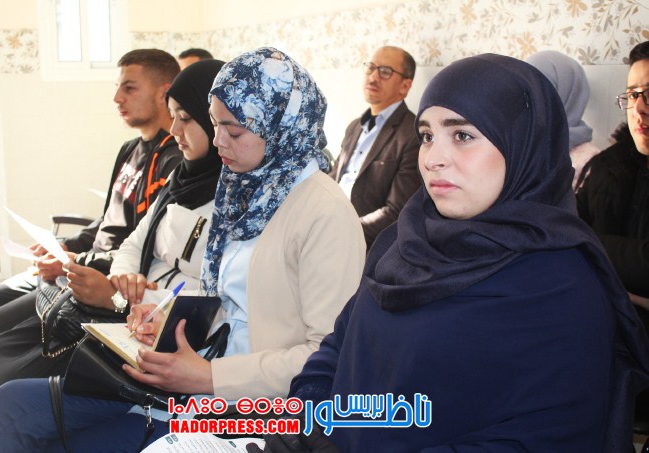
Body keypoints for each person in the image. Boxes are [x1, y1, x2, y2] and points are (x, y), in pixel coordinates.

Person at [0, 47, 366, 452]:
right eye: (214, 124)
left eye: (233, 131)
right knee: (11, 405)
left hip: (242, 409)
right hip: (187, 376)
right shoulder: (244, 188)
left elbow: (329, 359)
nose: (218, 141)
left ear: (280, 127)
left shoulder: (324, 213)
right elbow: (227, 303)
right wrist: (163, 316)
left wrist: (209, 377)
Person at [251, 54, 649, 452]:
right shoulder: (403, 243)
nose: (433, 159)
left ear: (521, 143)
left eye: (462, 136)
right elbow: (339, 345)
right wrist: (307, 422)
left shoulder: (563, 288)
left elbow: (541, 439)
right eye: (427, 136)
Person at [0, 58, 225, 433]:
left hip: (147, 325)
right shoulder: (180, 178)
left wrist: (116, 295)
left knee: (7, 390)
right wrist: (118, 278)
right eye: (174, 117)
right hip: (122, 304)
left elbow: (209, 299)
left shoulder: (227, 200)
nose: (175, 130)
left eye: (185, 118)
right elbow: (131, 242)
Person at [0, 49, 183, 352]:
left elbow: (146, 248)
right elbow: (106, 220)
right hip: (79, 265)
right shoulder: (129, 149)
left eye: (129, 88)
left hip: (101, 280)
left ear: (164, 93)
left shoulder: (172, 160)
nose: (117, 98)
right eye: (118, 88)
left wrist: (73, 262)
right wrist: (64, 246)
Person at [576, 41, 649, 327]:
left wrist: (591, 244)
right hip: (599, 322)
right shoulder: (607, 167)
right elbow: (567, 235)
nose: (638, 109)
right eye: (632, 95)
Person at [330, 46, 421, 248]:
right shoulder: (354, 126)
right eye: (371, 68)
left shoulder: (411, 135)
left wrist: (342, 232)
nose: (373, 77)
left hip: (359, 243)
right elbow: (333, 179)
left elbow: (397, 212)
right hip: (326, 224)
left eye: (385, 72)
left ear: (405, 86)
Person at [526, 50, 600, 191]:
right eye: (526, 91)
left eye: (540, 91)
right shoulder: (517, 149)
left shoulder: (591, 165)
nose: (531, 101)